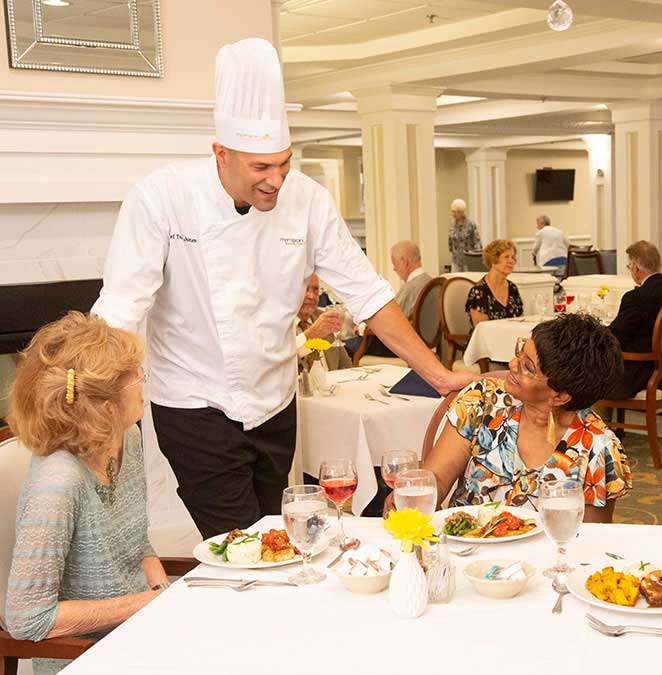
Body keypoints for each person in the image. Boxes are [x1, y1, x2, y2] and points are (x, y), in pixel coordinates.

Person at [91, 38, 473, 538]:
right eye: (261, 167)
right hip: (193, 401)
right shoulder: (162, 197)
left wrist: (438, 375)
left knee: (275, 533)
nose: (277, 180)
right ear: (221, 154)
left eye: (284, 163)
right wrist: (92, 398)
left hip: (275, 401)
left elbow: (368, 294)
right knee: (240, 540)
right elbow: (123, 305)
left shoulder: (308, 200)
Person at [5, 313, 165, 675]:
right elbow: (27, 618)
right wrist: (147, 604)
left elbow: (137, 545)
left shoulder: (127, 438)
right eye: (134, 374)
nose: (143, 379)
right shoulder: (57, 482)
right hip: (88, 658)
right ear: (105, 407)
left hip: (142, 635)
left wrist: (162, 592)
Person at [397, 313, 631, 523]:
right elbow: (437, 478)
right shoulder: (481, 401)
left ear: (560, 396)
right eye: (520, 351)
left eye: (527, 366)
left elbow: (590, 537)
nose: (512, 364)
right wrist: (416, 497)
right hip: (466, 546)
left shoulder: (598, 449)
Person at [607, 240, 662, 399]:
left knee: (585, 378)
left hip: (639, 373)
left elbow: (615, 335)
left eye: (629, 267)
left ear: (635, 268)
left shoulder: (636, 297)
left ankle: (595, 417)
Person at [296, 273, 352, 371]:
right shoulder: (276, 324)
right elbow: (277, 363)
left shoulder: (324, 318)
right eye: (304, 289)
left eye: (315, 290)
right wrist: (310, 335)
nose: (311, 296)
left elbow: (345, 365)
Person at [465, 239, 524, 327]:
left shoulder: (512, 288)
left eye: (513, 257)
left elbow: (521, 321)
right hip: (488, 335)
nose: (511, 261)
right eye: (506, 257)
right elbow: (482, 330)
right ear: (493, 260)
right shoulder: (479, 291)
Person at [391, 240, 432, 320]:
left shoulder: (409, 289)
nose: (394, 269)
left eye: (394, 264)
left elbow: (392, 320)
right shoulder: (433, 283)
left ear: (404, 262)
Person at [448, 198, 481, 272]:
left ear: (462, 212)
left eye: (457, 212)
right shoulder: (452, 224)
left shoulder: (471, 224)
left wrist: (476, 257)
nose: (454, 214)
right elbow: (450, 241)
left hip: (468, 259)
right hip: (456, 259)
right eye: (453, 211)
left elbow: (477, 241)